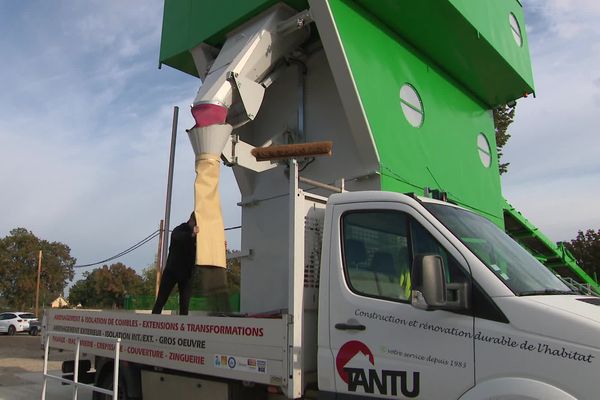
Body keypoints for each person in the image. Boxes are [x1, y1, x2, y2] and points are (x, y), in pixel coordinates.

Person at [152, 212, 197, 315]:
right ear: (191, 220)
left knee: (184, 305)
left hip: (187, 273)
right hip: (172, 270)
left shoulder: (200, 237)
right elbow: (177, 237)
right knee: (161, 300)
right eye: (196, 223)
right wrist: (192, 234)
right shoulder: (181, 229)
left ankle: (182, 328)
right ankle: (152, 323)